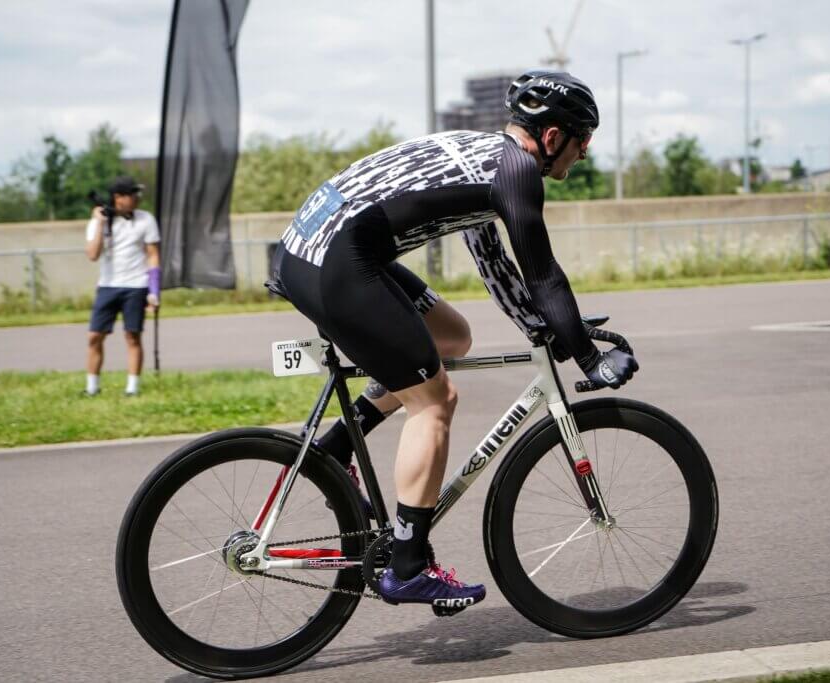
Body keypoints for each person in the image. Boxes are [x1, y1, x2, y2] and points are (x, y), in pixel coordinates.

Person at [267, 70, 638, 610]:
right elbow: (543, 275)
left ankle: (339, 448)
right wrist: (586, 355)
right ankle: (409, 565)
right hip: (336, 263)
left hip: (317, 251)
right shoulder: (517, 173)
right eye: (582, 142)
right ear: (554, 137)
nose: (582, 156)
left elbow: (494, 263)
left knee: (451, 336)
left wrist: (547, 329)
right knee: (434, 401)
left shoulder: (487, 161)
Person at [84, 176, 162, 396]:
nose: (137, 198)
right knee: (94, 336)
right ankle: (92, 387)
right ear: (118, 197)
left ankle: (132, 388)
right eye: (132, 194)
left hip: (136, 285)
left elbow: (153, 255)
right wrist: (100, 223)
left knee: (132, 335)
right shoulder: (99, 221)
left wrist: (153, 291)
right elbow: (92, 254)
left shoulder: (145, 219)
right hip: (108, 285)